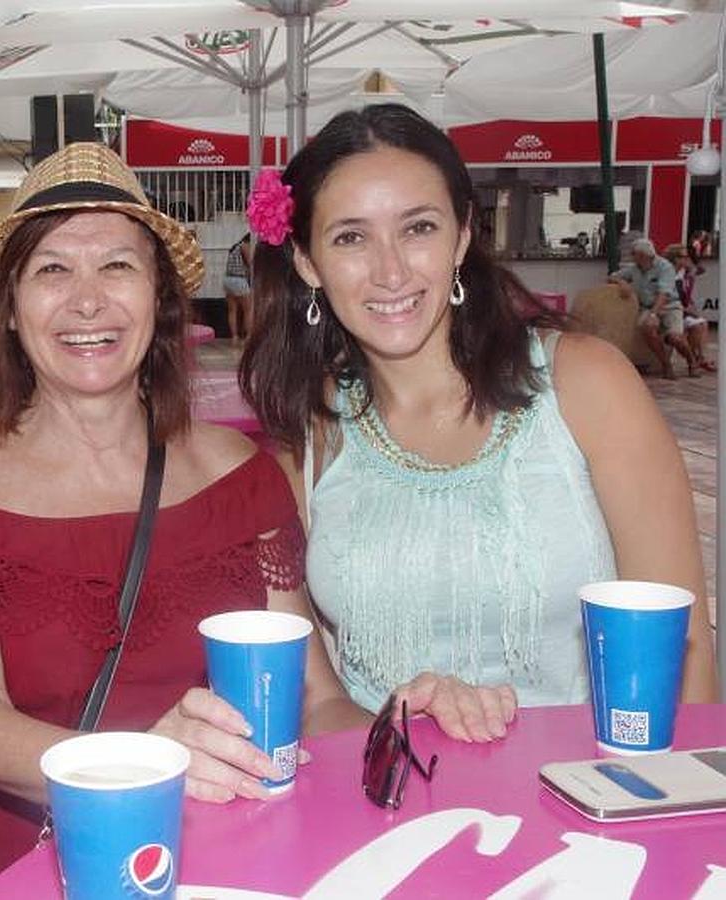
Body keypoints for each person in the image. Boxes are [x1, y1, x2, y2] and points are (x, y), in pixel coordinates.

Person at [0, 143, 366, 899]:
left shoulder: (238, 474)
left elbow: (313, 696)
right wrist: (133, 766)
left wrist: (402, 738)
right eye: (53, 269)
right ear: (11, 310)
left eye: (117, 266)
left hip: (220, 855)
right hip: (20, 860)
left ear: (160, 300)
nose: (88, 301)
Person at [240, 103, 717, 744]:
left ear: (463, 234)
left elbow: (683, 648)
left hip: (595, 794)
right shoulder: (309, 436)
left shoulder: (585, 385)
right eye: (350, 237)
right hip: (390, 811)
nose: (391, 271)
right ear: (307, 262)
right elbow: (315, 700)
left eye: (419, 228)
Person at [609, 237, 698, 378]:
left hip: (669, 306)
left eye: (634, 254)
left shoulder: (665, 267)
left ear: (643, 255)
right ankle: (665, 364)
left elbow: (664, 294)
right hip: (647, 307)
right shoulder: (634, 269)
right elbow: (611, 277)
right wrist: (621, 282)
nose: (632, 256)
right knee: (646, 328)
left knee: (675, 338)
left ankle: (691, 361)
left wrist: (654, 315)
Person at [666, 242, 716, 373]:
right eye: (684, 256)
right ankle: (695, 358)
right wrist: (687, 309)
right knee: (694, 323)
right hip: (671, 310)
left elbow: (700, 269)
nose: (687, 258)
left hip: (682, 310)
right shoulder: (669, 275)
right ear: (675, 258)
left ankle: (699, 357)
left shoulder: (685, 273)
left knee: (701, 324)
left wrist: (692, 265)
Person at [223, 232, 254, 343]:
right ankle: (249, 337)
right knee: (248, 310)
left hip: (227, 279)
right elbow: (251, 264)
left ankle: (234, 337)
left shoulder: (235, 247)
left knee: (232, 310)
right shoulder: (245, 246)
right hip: (239, 280)